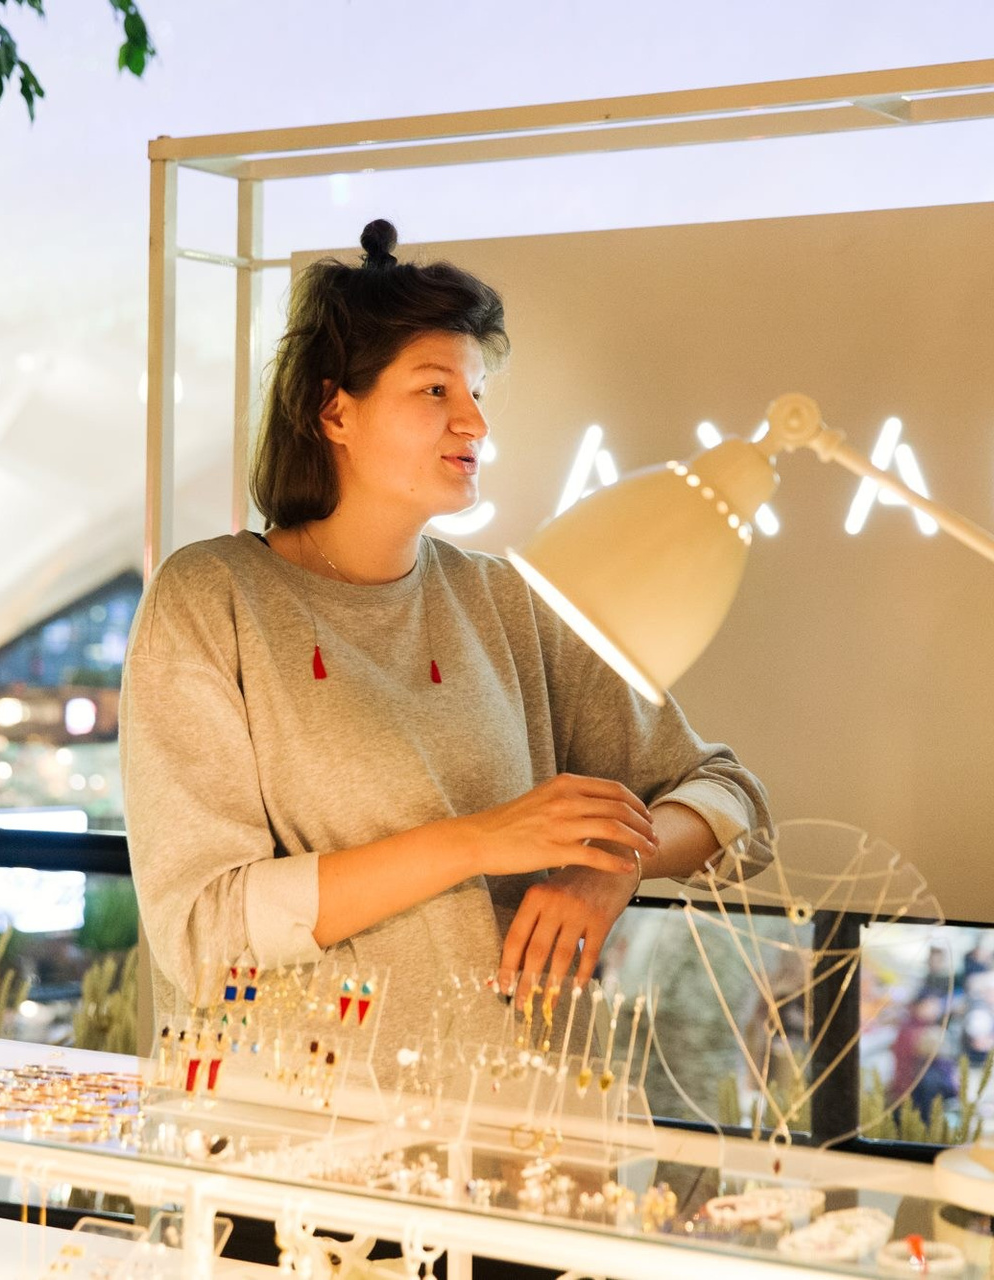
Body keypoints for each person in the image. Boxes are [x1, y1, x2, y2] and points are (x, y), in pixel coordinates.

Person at [119, 218, 772, 1058]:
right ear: (334, 410)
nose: (474, 424)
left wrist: (611, 867)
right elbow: (204, 935)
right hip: (306, 1120)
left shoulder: (509, 601)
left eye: (477, 394)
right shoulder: (212, 599)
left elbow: (733, 799)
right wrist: (477, 840)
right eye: (435, 391)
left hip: (519, 1107)